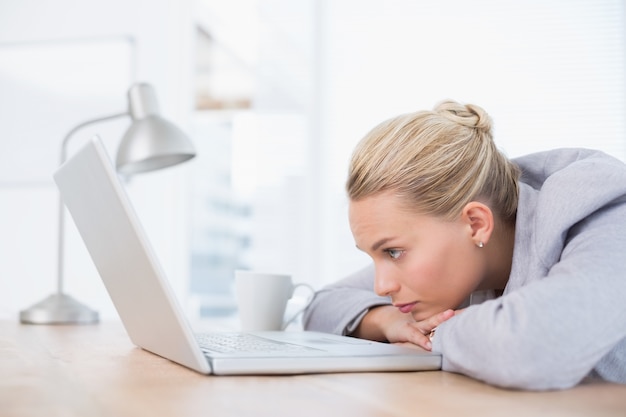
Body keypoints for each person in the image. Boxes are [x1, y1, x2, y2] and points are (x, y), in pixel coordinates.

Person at [302, 100, 626, 391]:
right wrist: (392, 322)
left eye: (393, 252)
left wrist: (436, 334)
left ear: (476, 224)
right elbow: (322, 306)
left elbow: (533, 344)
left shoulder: (603, 209)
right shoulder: (455, 250)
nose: (381, 285)